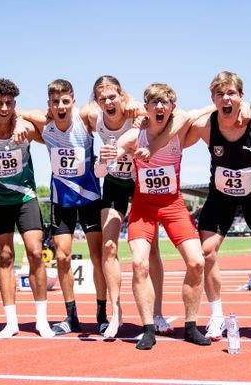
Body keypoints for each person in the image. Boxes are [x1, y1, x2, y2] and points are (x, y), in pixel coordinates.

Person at [89, 75, 208, 337]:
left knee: (197, 262)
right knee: (139, 262)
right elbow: (101, 171)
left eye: (165, 103)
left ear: (172, 107)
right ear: (146, 107)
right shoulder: (133, 134)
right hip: (142, 204)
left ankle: (189, 326)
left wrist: (243, 106)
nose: (160, 108)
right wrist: (102, 161)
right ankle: (145, 326)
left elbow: (201, 111)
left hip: (173, 204)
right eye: (154, 103)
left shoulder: (180, 127)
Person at [171, 72, 251, 342]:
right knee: (207, 253)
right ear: (213, 99)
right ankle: (217, 316)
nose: (226, 99)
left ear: (241, 96)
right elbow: (176, 139)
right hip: (221, 194)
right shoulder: (206, 126)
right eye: (220, 94)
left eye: (231, 93)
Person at [0, 78, 54, 338]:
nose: (3, 108)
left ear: (14, 104)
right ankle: (11, 321)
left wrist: (21, 118)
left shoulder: (26, 129)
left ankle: (41, 320)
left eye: (8, 103)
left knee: (35, 252)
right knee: (5, 258)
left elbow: (51, 124)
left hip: (25, 199)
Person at [39, 79, 107, 335]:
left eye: (65, 101)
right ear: (49, 104)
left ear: (73, 101)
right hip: (61, 200)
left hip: (89, 197)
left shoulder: (84, 120)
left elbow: (104, 108)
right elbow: (18, 115)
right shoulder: (45, 128)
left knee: (97, 256)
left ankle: (101, 315)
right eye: (55, 102)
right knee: (62, 256)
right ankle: (71, 317)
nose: (60, 106)